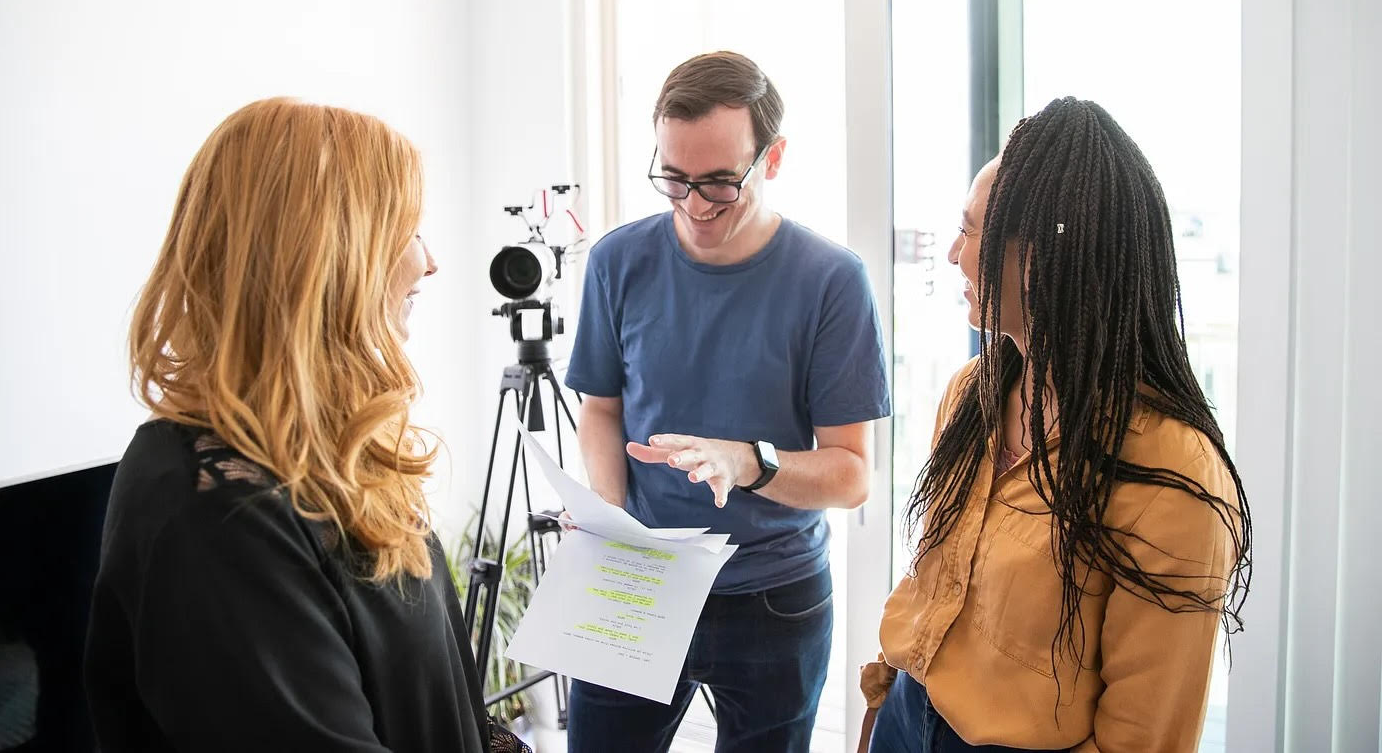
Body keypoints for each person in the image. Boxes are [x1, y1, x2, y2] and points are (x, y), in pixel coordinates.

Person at [84, 99, 529, 752]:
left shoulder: (336, 452)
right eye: (405, 227)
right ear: (327, 256)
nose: (429, 260)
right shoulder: (216, 517)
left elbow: (445, 696)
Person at [858, 97, 1252, 753]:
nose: (953, 252)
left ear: (1042, 257)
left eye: (970, 230)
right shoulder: (971, 394)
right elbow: (935, 583)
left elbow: (1143, 736)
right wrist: (884, 701)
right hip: (908, 712)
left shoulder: (1173, 472)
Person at [564, 51, 892, 752]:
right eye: (673, 178)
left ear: (771, 159)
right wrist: (610, 512)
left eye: (718, 181)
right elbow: (601, 409)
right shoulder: (617, 261)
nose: (693, 204)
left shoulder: (831, 280)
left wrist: (749, 462)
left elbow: (852, 473)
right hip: (639, 576)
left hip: (773, 595)